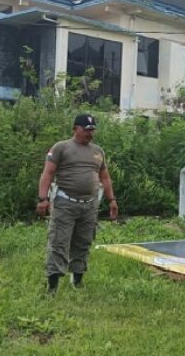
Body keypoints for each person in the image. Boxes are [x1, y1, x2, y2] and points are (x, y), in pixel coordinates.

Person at [36, 113, 118, 295]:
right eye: (86, 130)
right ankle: (53, 285)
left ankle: (77, 280)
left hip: (89, 205)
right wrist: (43, 199)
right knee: (59, 242)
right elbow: (48, 173)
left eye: (92, 130)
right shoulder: (61, 148)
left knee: (83, 242)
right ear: (75, 129)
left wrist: (112, 200)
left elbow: (105, 176)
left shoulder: (98, 151)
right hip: (65, 202)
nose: (90, 133)